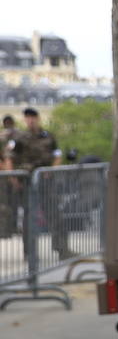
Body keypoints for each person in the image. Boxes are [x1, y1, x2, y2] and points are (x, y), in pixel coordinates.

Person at [10, 108, 63, 254]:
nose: (30, 120)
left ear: (38, 118)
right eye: (27, 117)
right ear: (24, 120)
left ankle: (61, 248)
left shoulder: (48, 136)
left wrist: (51, 170)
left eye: (33, 117)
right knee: (29, 217)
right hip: (27, 182)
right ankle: (30, 253)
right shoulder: (19, 137)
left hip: (45, 181)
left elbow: (57, 155)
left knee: (54, 214)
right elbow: (10, 157)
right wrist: (13, 177)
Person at [0, 114, 18, 237]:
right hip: (7, 175)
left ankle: (10, 229)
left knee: (11, 204)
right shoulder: (4, 137)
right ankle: (6, 230)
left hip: (11, 174)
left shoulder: (15, 137)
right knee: (6, 204)